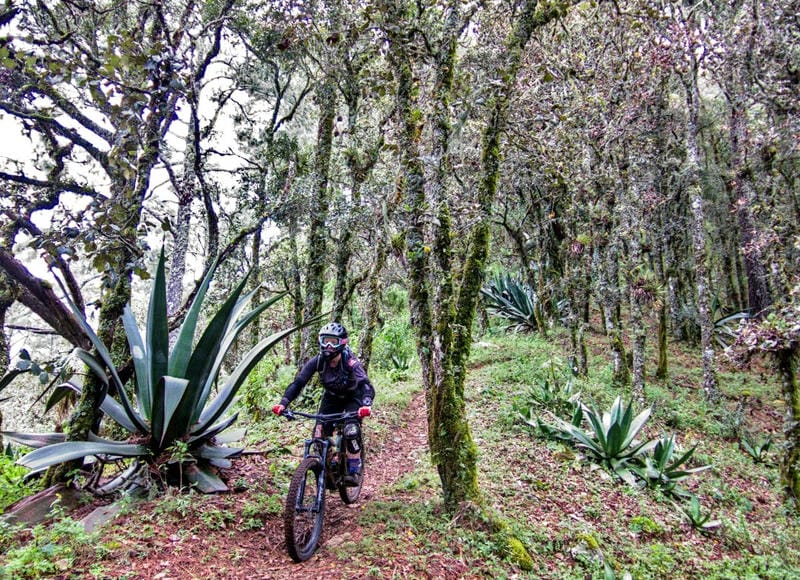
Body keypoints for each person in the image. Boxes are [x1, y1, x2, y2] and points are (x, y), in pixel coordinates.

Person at [272, 321, 374, 485]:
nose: (328, 346)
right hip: (331, 397)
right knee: (318, 434)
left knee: (351, 430)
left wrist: (366, 404)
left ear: (342, 343)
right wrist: (283, 403)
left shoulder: (350, 362)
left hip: (352, 397)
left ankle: (354, 466)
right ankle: (326, 467)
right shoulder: (318, 361)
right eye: (325, 340)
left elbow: (365, 385)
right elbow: (298, 383)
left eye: (333, 342)